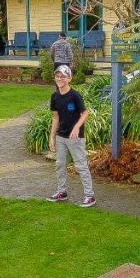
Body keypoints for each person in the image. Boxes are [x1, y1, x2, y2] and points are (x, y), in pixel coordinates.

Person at [45, 65, 96, 208]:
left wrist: (76, 127)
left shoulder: (75, 95)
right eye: (57, 76)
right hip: (61, 137)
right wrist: (52, 137)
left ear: (69, 78)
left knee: (81, 166)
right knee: (60, 165)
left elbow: (85, 113)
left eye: (63, 76)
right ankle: (62, 192)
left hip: (75, 138)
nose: (59, 79)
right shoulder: (54, 96)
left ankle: (89, 196)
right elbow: (55, 118)